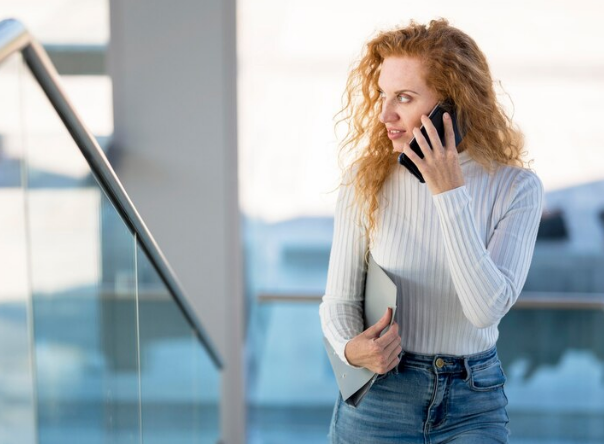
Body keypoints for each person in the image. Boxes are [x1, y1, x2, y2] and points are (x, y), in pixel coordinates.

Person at [319, 18, 544, 444]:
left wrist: (447, 190)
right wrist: (352, 350)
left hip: (473, 400)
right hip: (381, 396)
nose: (386, 113)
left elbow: (484, 310)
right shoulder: (366, 180)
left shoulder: (516, 189)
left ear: (453, 104)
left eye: (404, 97)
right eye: (384, 95)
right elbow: (339, 301)